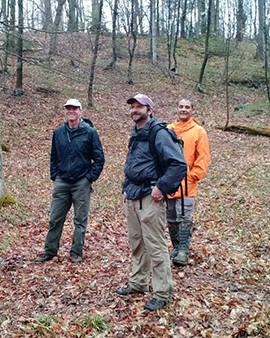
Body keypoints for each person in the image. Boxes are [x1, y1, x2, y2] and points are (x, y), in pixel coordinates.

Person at [117, 94, 187, 312]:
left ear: (150, 110)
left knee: (155, 245)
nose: (135, 110)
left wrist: (160, 188)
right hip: (133, 194)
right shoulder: (137, 133)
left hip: (150, 195)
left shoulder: (159, 133)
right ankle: (138, 283)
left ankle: (163, 292)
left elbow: (179, 165)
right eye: (133, 107)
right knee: (137, 242)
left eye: (140, 107)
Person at [36, 99, 105, 263]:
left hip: (81, 182)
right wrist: (55, 175)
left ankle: (76, 252)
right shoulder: (59, 132)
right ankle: (50, 251)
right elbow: (53, 156)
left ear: (80, 111)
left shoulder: (89, 133)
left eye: (74, 109)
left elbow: (99, 159)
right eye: (68, 109)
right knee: (55, 218)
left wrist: (89, 178)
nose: (71, 111)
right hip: (62, 181)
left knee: (80, 220)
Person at [167, 99, 210, 266]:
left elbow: (203, 157)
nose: (183, 109)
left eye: (187, 107)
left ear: (192, 110)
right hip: (169, 182)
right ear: (177, 109)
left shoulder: (199, 131)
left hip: (187, 183)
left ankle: (184, 250)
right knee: (170, 217)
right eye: (181, 107)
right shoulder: (169, 129)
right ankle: (176, 247)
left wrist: (193, 176)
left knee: (184, 216)